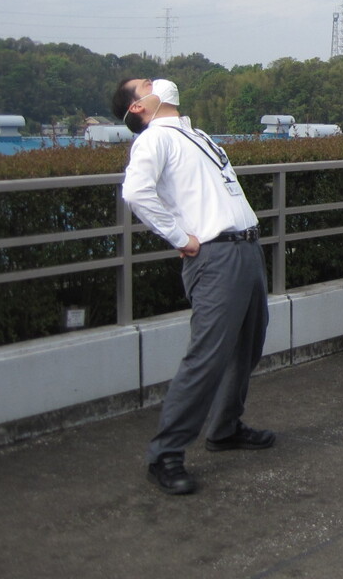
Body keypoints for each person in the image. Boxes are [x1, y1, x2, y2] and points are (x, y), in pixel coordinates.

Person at [112, 77, 272, 497]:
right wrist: (180, 238)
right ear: (138, 108)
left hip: (245, 248)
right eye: (145, 84)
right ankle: (165, 455)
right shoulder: (153, 140)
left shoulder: (193, 134)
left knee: (247, 347)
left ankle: (224, 427)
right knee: (207, 357)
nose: (157, 82)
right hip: (216, 256)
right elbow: (136, 192)